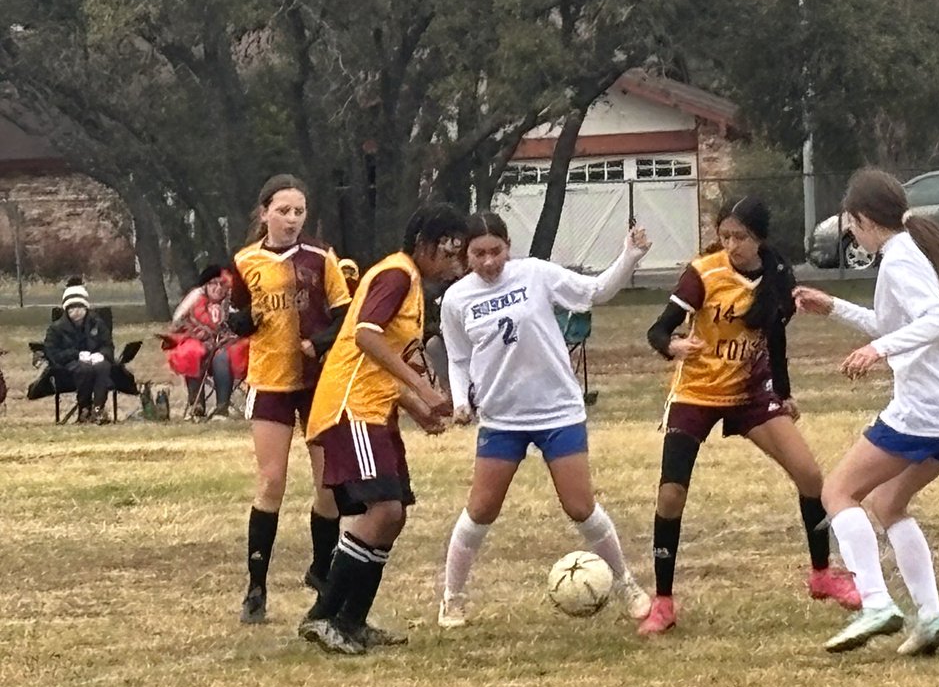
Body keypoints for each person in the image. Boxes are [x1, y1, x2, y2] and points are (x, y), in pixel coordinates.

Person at [638, 196, 859, 636]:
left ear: (760, 238)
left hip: (750, 393)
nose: (731, 245)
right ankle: (663, 602)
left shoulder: (778, 278)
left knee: (811, 476)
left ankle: (821, 574)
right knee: (670, 495)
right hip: (697, 392)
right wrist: (673, 346)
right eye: (725, 236)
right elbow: (657, 329)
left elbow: (775, 342)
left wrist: (784, 393)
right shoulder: (704, 273)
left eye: (740, 237)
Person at [793, 168, 939, 655]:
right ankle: (931, 616)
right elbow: (894, 321)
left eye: (850, 225)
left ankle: (878, 603)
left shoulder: (901, 259)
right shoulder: (907, 252)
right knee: (887, 503)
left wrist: (876, 351)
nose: (851, 235)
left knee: (838, 492)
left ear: (863, 219)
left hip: (928, 411)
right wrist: (834, 307)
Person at [436, 212, 653, 628]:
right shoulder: (457, 299)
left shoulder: (534, 274)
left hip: (558, 410)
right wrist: (461, 401)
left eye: (495, 251)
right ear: (465, 255)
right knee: (481, 509)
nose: (487, 262)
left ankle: (625, 583)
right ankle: (453, 597)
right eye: (477, 254)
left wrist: (629, 255)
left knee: (580, 507)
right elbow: (459, 358)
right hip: (502, 418)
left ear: (508, 247)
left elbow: (595, 291)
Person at [300, 204, 463, 654]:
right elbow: (365, 336)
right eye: (449, 252)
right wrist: (423, 390)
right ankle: (323, 616)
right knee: (384, 511)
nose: (454, 263)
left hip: (376, 409)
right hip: (351, 409)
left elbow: (383, 361)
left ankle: (351, 620)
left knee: (392, 515)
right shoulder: (397, 275)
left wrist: (415, 408)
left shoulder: (412, 286)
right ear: (427, 244)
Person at [227, 174, 352, 624]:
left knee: (328, 485)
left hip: (317, 382)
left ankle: (320, 571)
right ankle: (256, 588)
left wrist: (318, 342)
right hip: (271, 382)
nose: (292, 218)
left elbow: (346, 317)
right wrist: (242, 320)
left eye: (299, 211)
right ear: (265, 214)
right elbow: (239, 318)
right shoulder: (245, 260)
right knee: (271, 481)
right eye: (283, 210)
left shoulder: (321, 258)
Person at [164, 265, 248, 419]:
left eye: (222, 284)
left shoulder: (233, 302)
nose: (217, 288)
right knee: (192, 352)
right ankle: (196, 406)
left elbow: (243, 327)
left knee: (221, 357)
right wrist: (197, 334)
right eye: (213, 283)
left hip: (226, 349)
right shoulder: (194, 300)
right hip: (199, 348)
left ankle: (222, 408)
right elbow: (177, 324)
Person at [43, 279, 115, 424]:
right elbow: (52, 353)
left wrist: (101, 354)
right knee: (84, 369)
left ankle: (98, 409)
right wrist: (76, 355)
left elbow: (108, 345)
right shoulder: (56, 328)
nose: (76, 312)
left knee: (103, 367)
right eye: (71, 309)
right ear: (66, 310)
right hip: (69, 366)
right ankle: (84, 408)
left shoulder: (97, 323)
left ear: (86, 308)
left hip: (95, 360)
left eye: (79, 308)